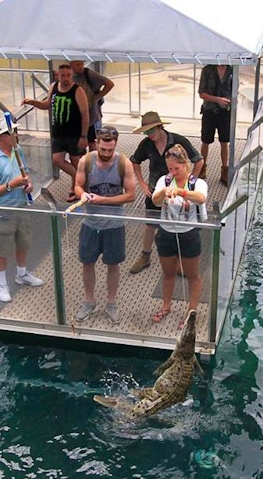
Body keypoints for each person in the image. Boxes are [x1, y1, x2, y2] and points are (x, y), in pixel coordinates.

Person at [73, 126, 136, 324]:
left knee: (113, 264)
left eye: (110, 150)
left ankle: (111, 303)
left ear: (115, 146)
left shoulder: (124, 163)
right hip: (90, 223)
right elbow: (77, 185)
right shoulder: (86, 161)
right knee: (87, 262)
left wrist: (101, 200)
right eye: (103, 150)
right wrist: (81, 194)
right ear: (97, 145)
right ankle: (89, 301)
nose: (106, 154)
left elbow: (130, 195)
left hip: (114, 224)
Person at [129, 111, 204, 274]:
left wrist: (191, 183)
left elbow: (198, 160)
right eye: (146, 132)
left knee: (180, 223)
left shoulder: (178, 141)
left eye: (151, 130)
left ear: (159, 127)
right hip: (157, 188)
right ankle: (145, 256)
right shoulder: (146, 144)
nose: (149, 134)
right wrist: (142, 184)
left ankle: (180, 260)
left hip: (178, 189)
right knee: (150, 224)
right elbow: (135, 161)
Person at [0, 119, 44, 303]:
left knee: (23, 242)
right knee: (2, 249)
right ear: (1, 137)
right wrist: (11, 185)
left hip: (21, 206)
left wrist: (28, 185)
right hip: (3, 212)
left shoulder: (17, 151)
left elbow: (24, 175)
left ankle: (22, 274)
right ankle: (1, 284)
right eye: (13, 132)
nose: (16, 135)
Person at [151, 143, 207, 326]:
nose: (173, 172)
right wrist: (163, 193)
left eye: (177, 168)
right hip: (166, 233)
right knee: (168, 273)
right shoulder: (164, 181)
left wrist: (182, 192)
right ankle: (166, 306)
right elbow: (155, 201)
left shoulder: (197, 183)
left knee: (193, 275)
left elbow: (201, 198)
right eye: (170, 168)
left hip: (189, 234)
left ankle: (191, 311)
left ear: (186, 165)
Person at [22, 63, 89, 203]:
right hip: (58, 134)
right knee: (57, 160)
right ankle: (80, 182)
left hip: (74, 134)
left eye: (68, 75)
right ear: (58, 75)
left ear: (72, 76)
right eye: (63, 75)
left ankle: (77, 189)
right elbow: (47, 104)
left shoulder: (78, 91)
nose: (65, 78)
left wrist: (84, 136)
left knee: (76, 161)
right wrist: (33, 102)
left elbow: (85, 114)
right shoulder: (53, 87)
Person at [198, 64, 233, 186]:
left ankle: (225, 170)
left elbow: (235, 90)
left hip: (225, 112)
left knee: (225, 142)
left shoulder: (232, 69)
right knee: (205, 141)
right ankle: (201, 168)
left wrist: (229, 101)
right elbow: (201, 93)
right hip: (209, 110)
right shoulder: (207, 70)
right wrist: (217, 99)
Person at [70, 60, 115, 152]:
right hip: (76, 114)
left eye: (82, 64)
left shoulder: (88, 73)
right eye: (78, 65)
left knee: (92, 141)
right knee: (78, 142)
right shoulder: (69, 76)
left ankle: (93, 161)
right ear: (70, 65)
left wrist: (96, 97)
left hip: (91, 115)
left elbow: (109, 84)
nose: (81, 67)